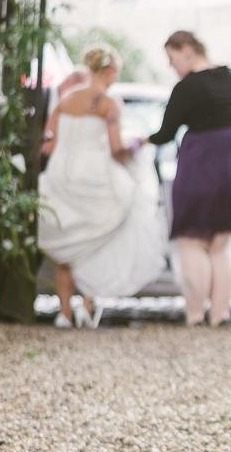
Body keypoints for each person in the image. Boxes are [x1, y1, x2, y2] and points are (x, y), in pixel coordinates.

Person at [39, 44, 167, 328]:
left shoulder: (65, 99)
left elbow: (47, 145)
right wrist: (135, 149)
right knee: (92, 243)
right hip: (95, 177)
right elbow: (115, 147)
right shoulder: (109, 102)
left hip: (61, 176)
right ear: (109, 71)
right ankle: (86, 306)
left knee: (66, 245)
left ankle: (64, 313)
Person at [142, 31, 231, 327]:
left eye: (171, 58)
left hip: (200, 164)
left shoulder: (186, 87)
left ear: (186, 51)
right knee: (220, 246)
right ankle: (220, 316)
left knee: (192, 242)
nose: (172, 66)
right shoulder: (228, 75)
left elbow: (165, 134)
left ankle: (196, 316)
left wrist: (140, 139)